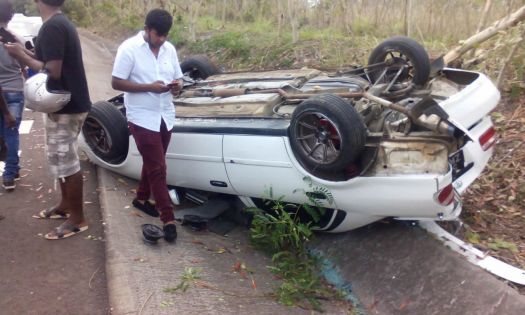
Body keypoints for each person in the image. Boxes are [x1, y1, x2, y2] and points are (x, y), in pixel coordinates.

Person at [5, 0, 91, 240]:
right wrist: (22, 51)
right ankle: (65, 205)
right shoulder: (56, 24)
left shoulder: (53, 27)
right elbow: (45, 59)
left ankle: (78, 219)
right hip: (63, 104)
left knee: (67, 162)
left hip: (67, 106)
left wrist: (20, 56)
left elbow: (51, 71)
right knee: (59, 159)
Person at [111, 8, 183, 243]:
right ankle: (168, 218)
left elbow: (179, 77)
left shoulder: (169, 49)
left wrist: (176, 86)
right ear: (147, 29)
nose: (162, 39)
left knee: (154, 161)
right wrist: (148, 87)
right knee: (158, 168)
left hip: (165, 114)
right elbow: (116, 82)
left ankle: (141, 199)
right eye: (158, 34)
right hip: (141, 117)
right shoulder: (128, 49)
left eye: (165, 35)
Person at [0, 0, 25, 191]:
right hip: (15, 91)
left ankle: (13, 169)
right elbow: (27, 64)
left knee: (5, 133)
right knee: (11, 132)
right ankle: (9, 175)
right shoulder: (17, 39)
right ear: (10, 16)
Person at [0, 85, 16, 162]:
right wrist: (7, 113)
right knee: (11, 133)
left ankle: (11, 169)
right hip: (14, 89)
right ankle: (11, 169)